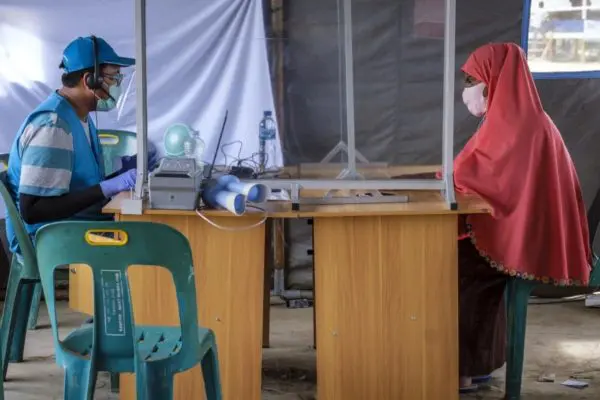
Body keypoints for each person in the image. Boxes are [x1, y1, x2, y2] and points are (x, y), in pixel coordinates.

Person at [455, 42, 591, 392]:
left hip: (524, 236)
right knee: (465, 257)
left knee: (461, 267)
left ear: (494, 78)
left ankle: (463, 370)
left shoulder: (517, 125)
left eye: (472, 80)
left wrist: (448, 176)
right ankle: (480, 362)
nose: (467, 91)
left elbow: (487, 182)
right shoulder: (518, 117)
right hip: (519, 226)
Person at [5, 35, 156, 256]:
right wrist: (107, 187)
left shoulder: (79, 117)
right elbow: (33, 210)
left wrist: (119, 175)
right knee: (149, 241)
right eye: (113, 78)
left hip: (71, 225)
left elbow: (76, 185)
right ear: (89, 80)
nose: (117, 86)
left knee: (148, 229)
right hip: (47, 237)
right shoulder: (53, 125)